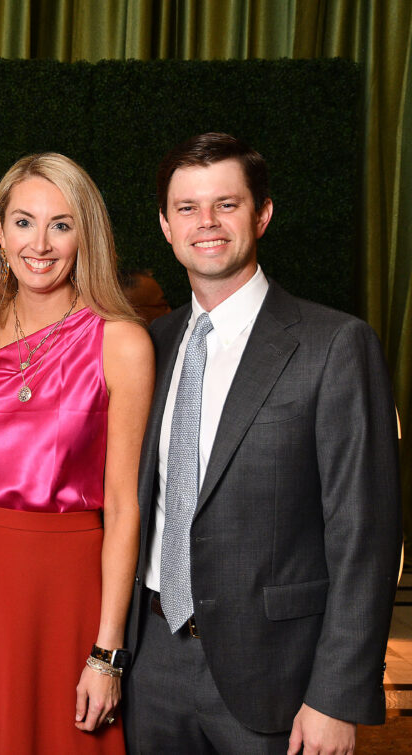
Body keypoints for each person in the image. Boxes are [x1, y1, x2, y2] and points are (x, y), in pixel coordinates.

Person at [124, 132, 401, 754]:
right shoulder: (148, 345)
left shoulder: (334, 345)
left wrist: (336, 693)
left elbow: (366, 533)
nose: (207, 223)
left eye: (227, 204)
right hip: (153, 666)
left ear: (263, 214)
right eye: (188, 208)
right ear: (166, 227)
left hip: (279, 677)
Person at [0, 153, 154, 753]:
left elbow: (124, 507)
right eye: (23, 222)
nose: (39, 243)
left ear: (84, 235)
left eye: (61, 224)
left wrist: (107, 652)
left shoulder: (121, 342)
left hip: (64, 587)